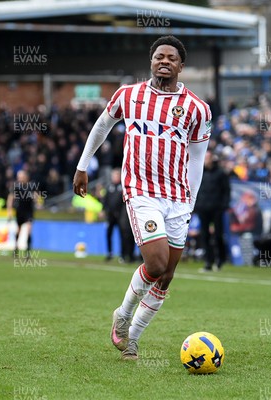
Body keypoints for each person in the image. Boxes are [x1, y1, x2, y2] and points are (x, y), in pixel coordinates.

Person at [72, 36, 211, 360]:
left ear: (181, 66)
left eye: (171, 58)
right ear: (151, 61)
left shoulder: (197, 108)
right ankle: (122, 314)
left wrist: (190, 202)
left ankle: (131, 338)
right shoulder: (128, 95)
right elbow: (101, 126)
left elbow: (196, 159)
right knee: (156, 262)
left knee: (166, 276)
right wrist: (82, 167)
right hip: (141, 191)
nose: (164, 61)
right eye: (159, 56)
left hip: (177, 197)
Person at [196, 151, 231, 272]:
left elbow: (226, 190)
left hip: (217, 209)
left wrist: (224, 206)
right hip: (203, 208)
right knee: (204, 235)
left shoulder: (220, 173)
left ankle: (220, 260)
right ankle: (208, 261)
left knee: (218, 235)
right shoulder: (200, 172)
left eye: (207, 158)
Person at [103, 168, 134, 262]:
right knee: (108, 234)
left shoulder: (123, 188)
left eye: (116, 175)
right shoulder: (109, 187)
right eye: (113, 175)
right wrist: (103, 210)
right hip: (110, 216)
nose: (114, 177)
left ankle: (123, 254)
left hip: (121, 216)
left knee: (123, 235)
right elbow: (105, 201)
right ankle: (109, 253)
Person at [7, 170, 35, 256]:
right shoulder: (16, 187)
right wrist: (9, 211)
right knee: (18, 230)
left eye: (21, 176)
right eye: (18, 176)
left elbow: (36, 196)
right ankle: (16, 249)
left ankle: (28, 251)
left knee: (29, 229)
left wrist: (38, 202)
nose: (19, 178)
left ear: (26, 177)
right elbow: (11, 198)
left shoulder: (31, 186)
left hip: (29, 211)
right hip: (20, 211)